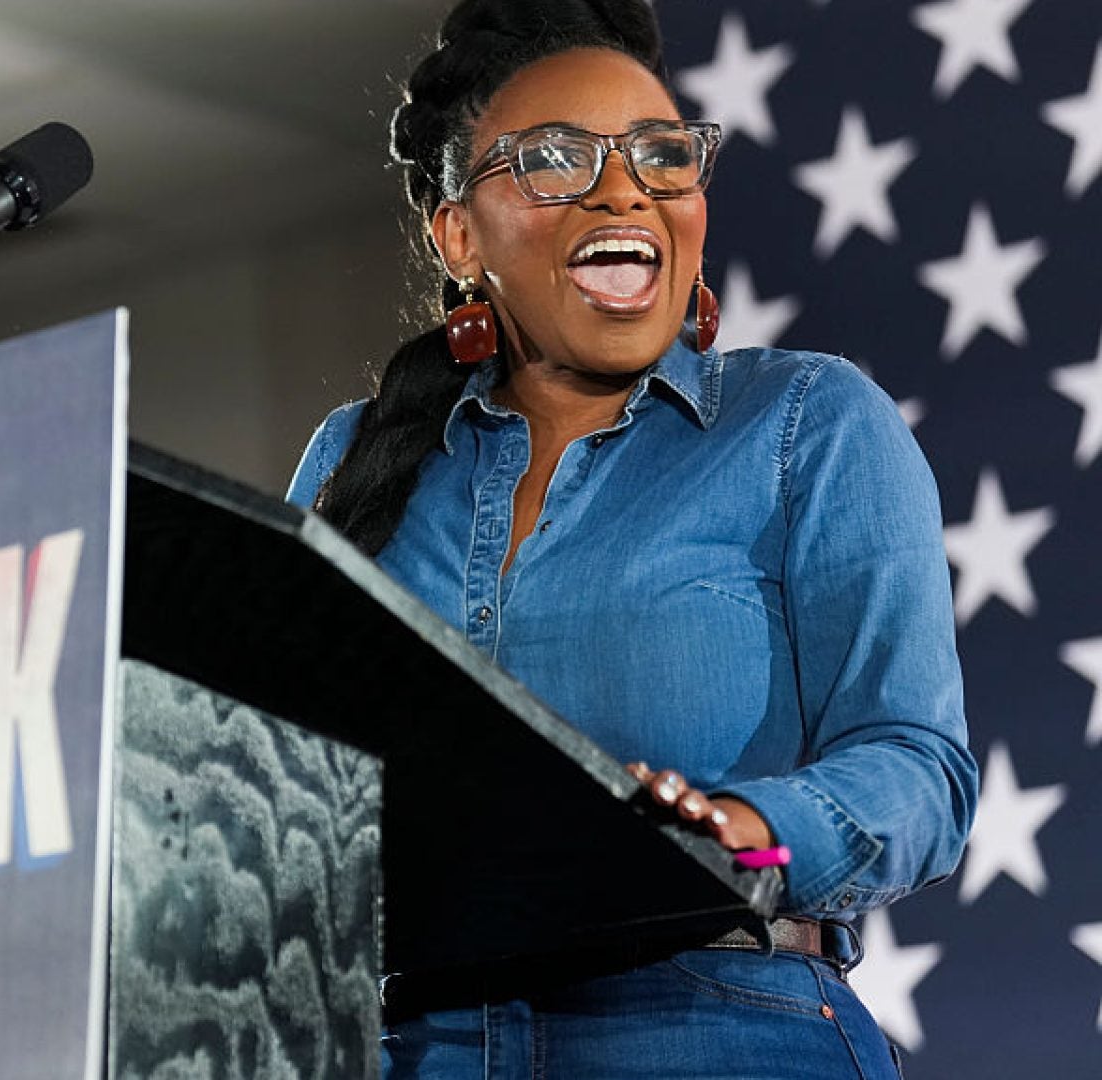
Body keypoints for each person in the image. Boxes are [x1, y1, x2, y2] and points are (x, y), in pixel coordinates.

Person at [284, 1, 978, 1076]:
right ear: (460, 235)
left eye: (662, 154)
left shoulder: (807, 423)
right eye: (556, 159)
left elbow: (921, 772)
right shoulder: (349, 458)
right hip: (397, 1044)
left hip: (716, 1022)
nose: (625, 190)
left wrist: (748, 830)